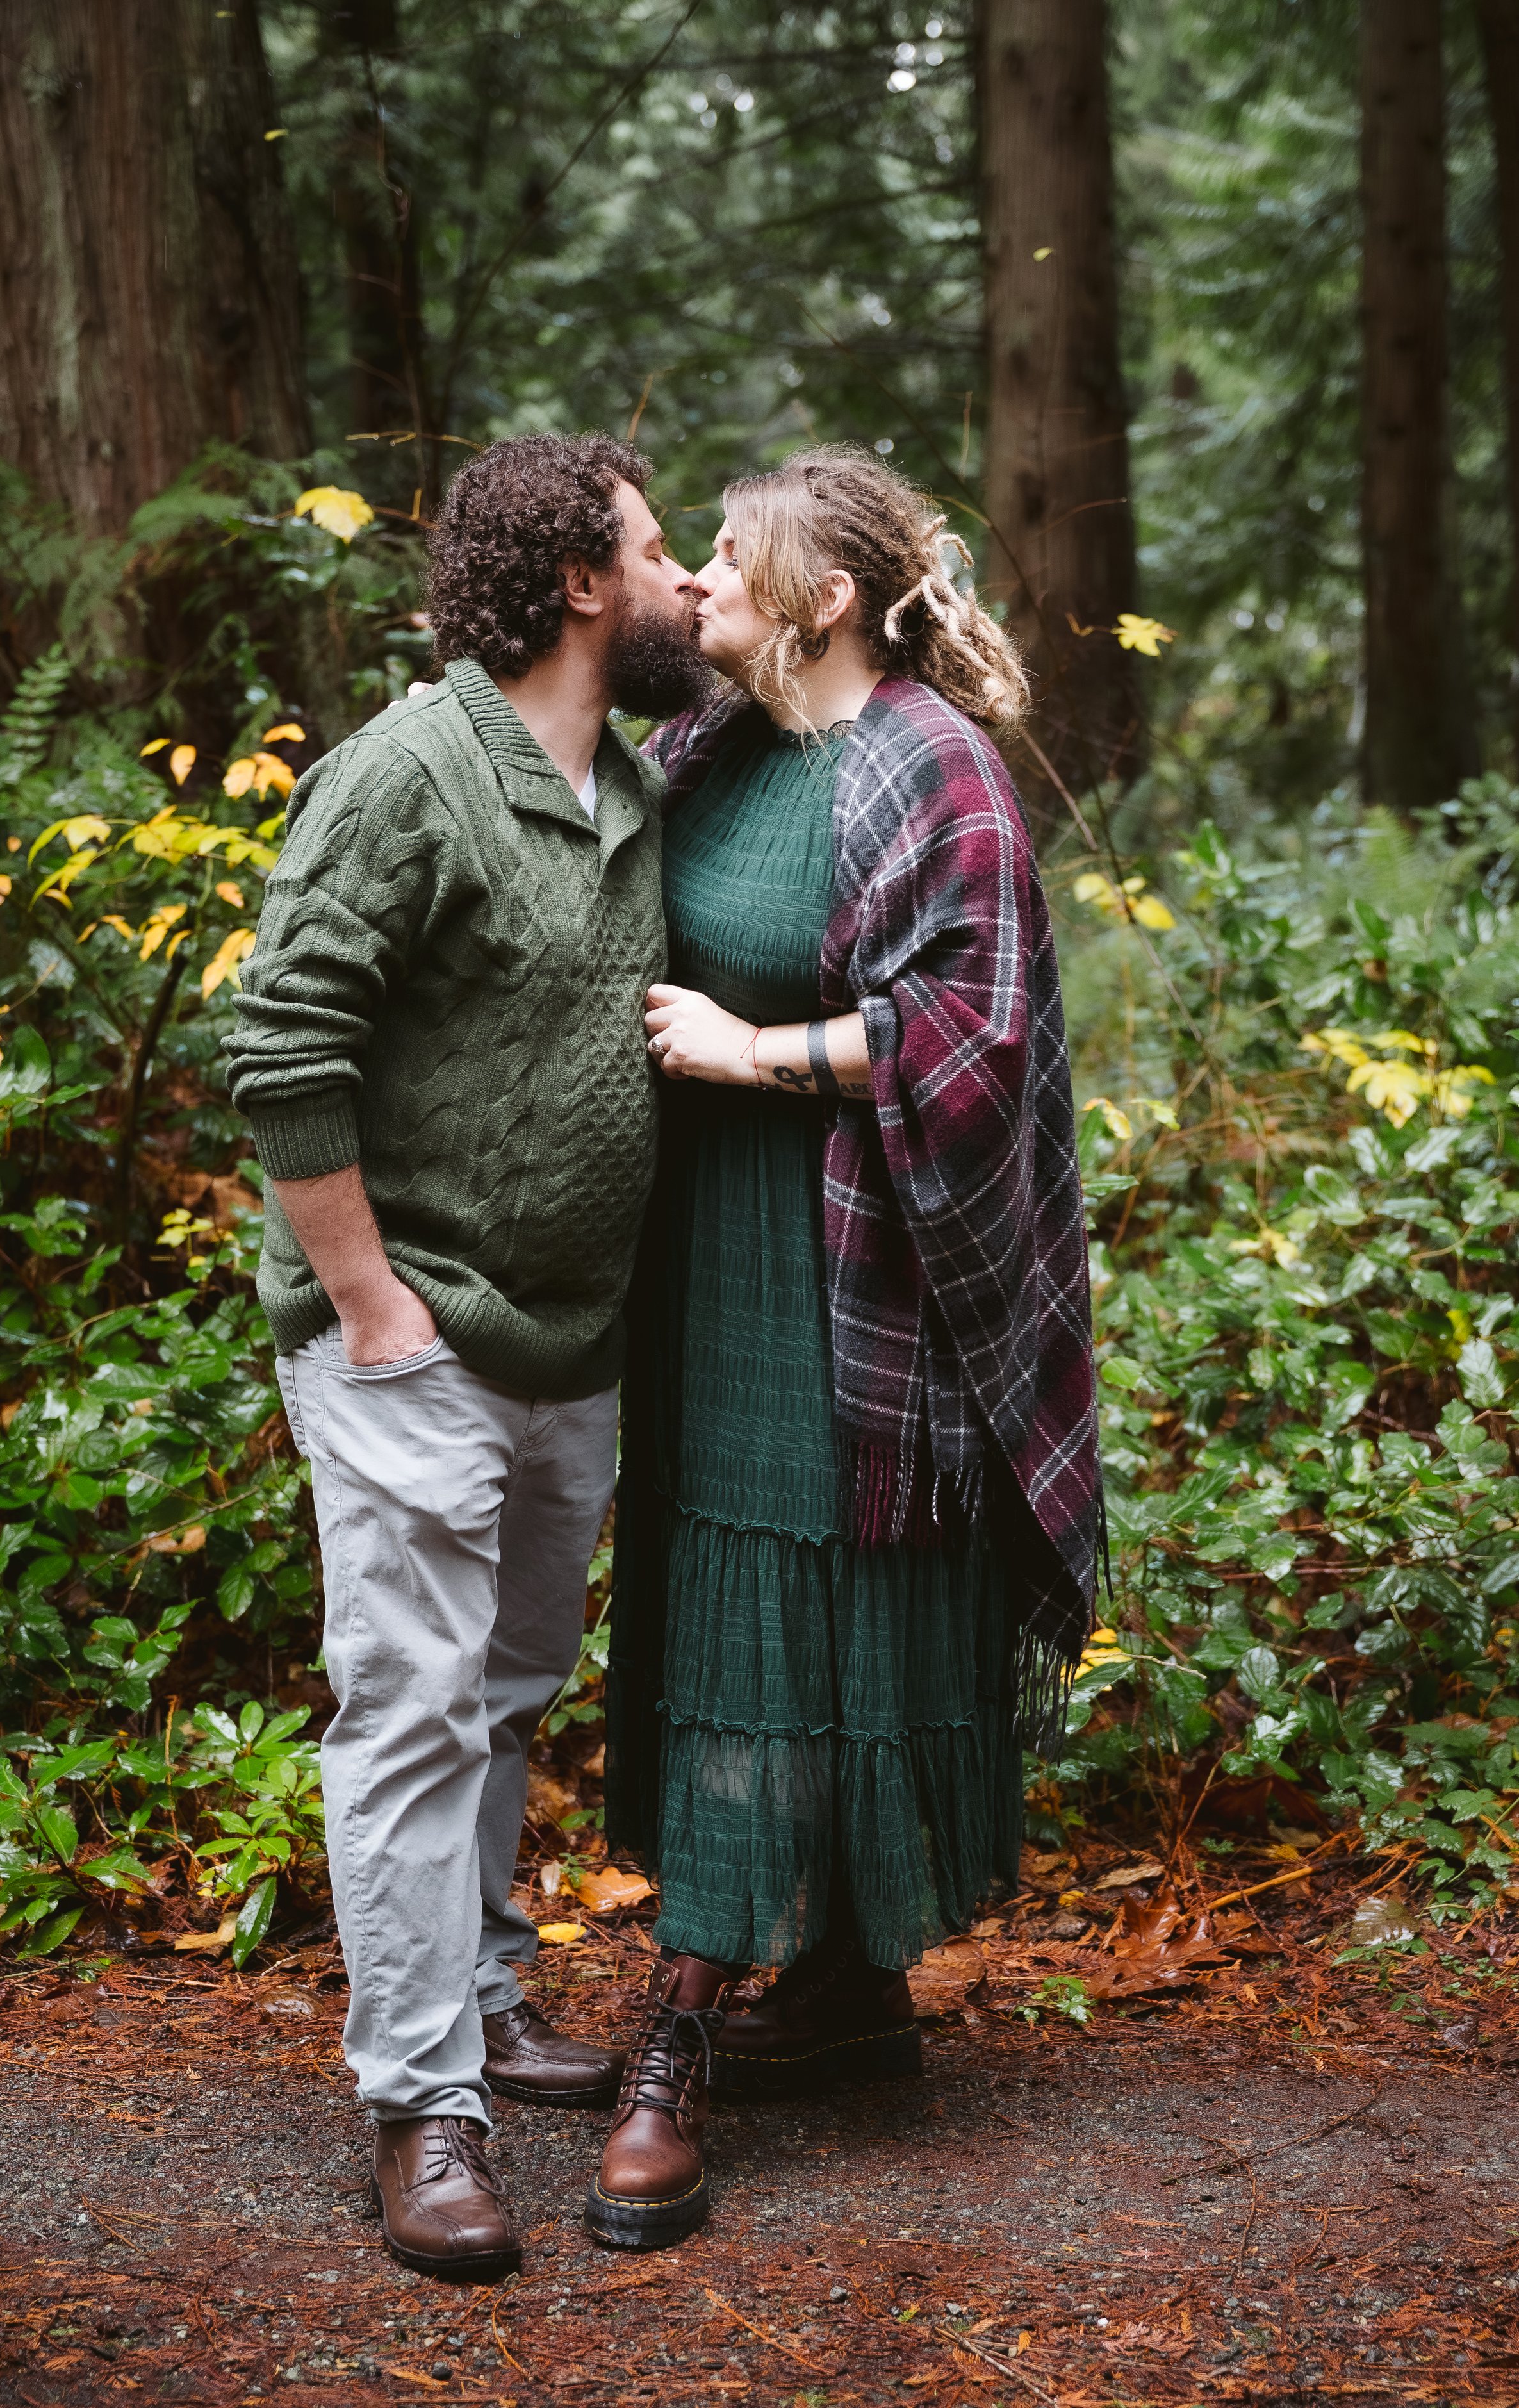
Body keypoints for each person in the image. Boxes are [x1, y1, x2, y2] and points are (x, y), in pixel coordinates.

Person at [587, 446, 1101, 2252]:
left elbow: (971, 1033)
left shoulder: (928, 764)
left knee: (792, 1610)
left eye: (727, 561)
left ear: (819, 602)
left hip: (859, 1278)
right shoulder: (710, 749)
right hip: (707, 1268)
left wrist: (759, 1053)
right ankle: (845, 1992)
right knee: (720, 1592)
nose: (698, 583)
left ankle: (682, 2028)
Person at [224, 433, 710, 2281]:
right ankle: (420, 2104)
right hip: (408, 1332)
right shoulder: (405, 776)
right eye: (661, 555)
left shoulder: (637, 792)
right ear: (580, 583)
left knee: (504, 1695)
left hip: (567, 1349)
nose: (682, 586)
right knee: (415, 1709)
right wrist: (365, 1304)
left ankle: (487, 2001)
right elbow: (283, 1047)